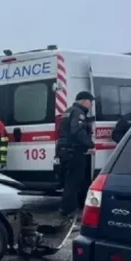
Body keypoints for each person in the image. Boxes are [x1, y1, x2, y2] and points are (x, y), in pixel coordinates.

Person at [56, 91, 95, 221]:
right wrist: (90, 144)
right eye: (90, 102)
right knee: (74, 182)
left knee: (70, 181)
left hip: (65, 151)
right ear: (85, 101)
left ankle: (67, 208)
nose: (91, 105)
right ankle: (68, 210)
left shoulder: (68, 111)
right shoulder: (78, 112)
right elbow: (77, 131)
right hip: (74, 152)